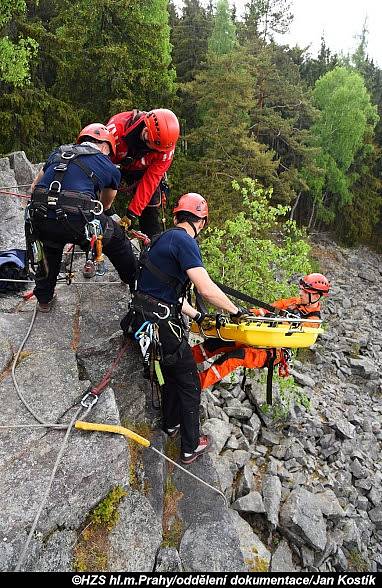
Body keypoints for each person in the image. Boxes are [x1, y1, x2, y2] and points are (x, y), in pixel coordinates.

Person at [121, 193, 246, 465]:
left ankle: (170, 424)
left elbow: (169, 293)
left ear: (177, 216)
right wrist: (235, 311)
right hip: (164, 325)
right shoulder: (185, 241)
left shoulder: (160, 240)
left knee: (169, 374)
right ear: (201, 222)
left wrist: (197, 314)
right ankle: (190, 447)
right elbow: (206, 288)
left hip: (143, 318)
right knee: (189, 382)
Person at [28, 123, 137, 312]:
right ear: (105, 146)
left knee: (51, 247)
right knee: (118, 239)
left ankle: (44, 299)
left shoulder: (58, 152)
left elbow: (34, 187)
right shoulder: (108, 165)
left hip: (41, 215)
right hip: (78, 221)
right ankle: (134, 281)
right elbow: (105, 204)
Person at [192, 273, 330, 390]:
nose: (301, 293)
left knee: (234, 358)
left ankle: (194, 386)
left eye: (306, 292)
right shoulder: (293, 302)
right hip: (258, 337)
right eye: (301, 290)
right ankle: (180, 364)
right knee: (216, 343)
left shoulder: (312, 320)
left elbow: (294, 333)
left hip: (270, 351)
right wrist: (249, 314)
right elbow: (270, 309)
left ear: (317, 296)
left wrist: (279, 321)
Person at [106, 109, 180, 238]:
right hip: (113, 165)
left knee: (150, 210)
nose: (156, 152)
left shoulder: (165, 149)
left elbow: (150, 181)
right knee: (105, 183)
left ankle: (152, 245)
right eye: (153, 147)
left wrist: (131, 214)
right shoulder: (116, 130)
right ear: (145, 131)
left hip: (142, 171)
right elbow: (99, 165)